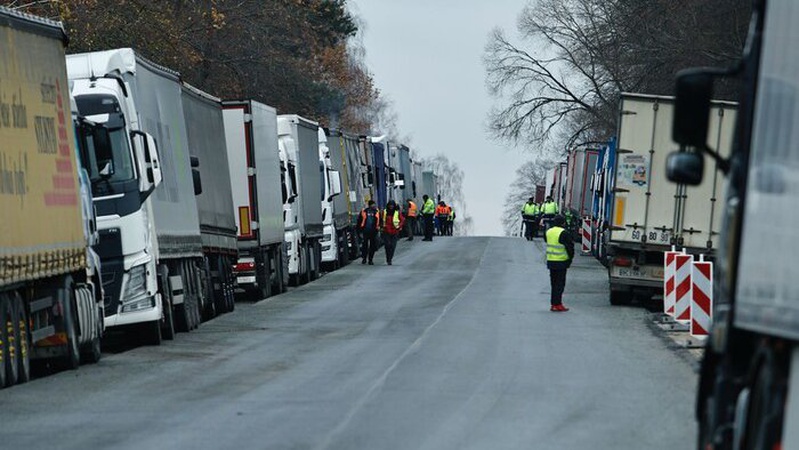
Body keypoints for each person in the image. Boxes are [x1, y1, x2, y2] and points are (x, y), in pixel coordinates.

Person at [546, 215, 574, 312]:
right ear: (563, 223)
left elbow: (547, 241)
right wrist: (570, 259)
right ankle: (558, 304)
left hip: (551, 261)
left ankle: (553, 304)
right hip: (561, 262)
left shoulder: (548, 232)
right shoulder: (564, 233)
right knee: (560, 284)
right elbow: (569, 247)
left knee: (553, 284)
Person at [382, 200, 405, 265]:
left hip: (395, 231)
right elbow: (381, 220)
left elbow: (402, 220)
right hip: (386, 231)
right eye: (390, 205)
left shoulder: (397, 213)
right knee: (387, 245)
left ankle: (390, 259)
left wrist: (399, 226)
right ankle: (388, 258)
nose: (391, 206)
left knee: (392, 246)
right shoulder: (384, 212)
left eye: (392, 205)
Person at [359, 200, 381, 265]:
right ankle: (364, 258)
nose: (374, 206)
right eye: (373, 204)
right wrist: (360, 230)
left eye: (374, 204)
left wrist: (379, 227)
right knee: (364, 246)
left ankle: (370, 259)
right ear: (369, 205)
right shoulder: (364, 211)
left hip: (373, 231)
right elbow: (360, 220)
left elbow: (380, 220)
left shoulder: (376, 212)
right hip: (365, 231)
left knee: (372, 246)